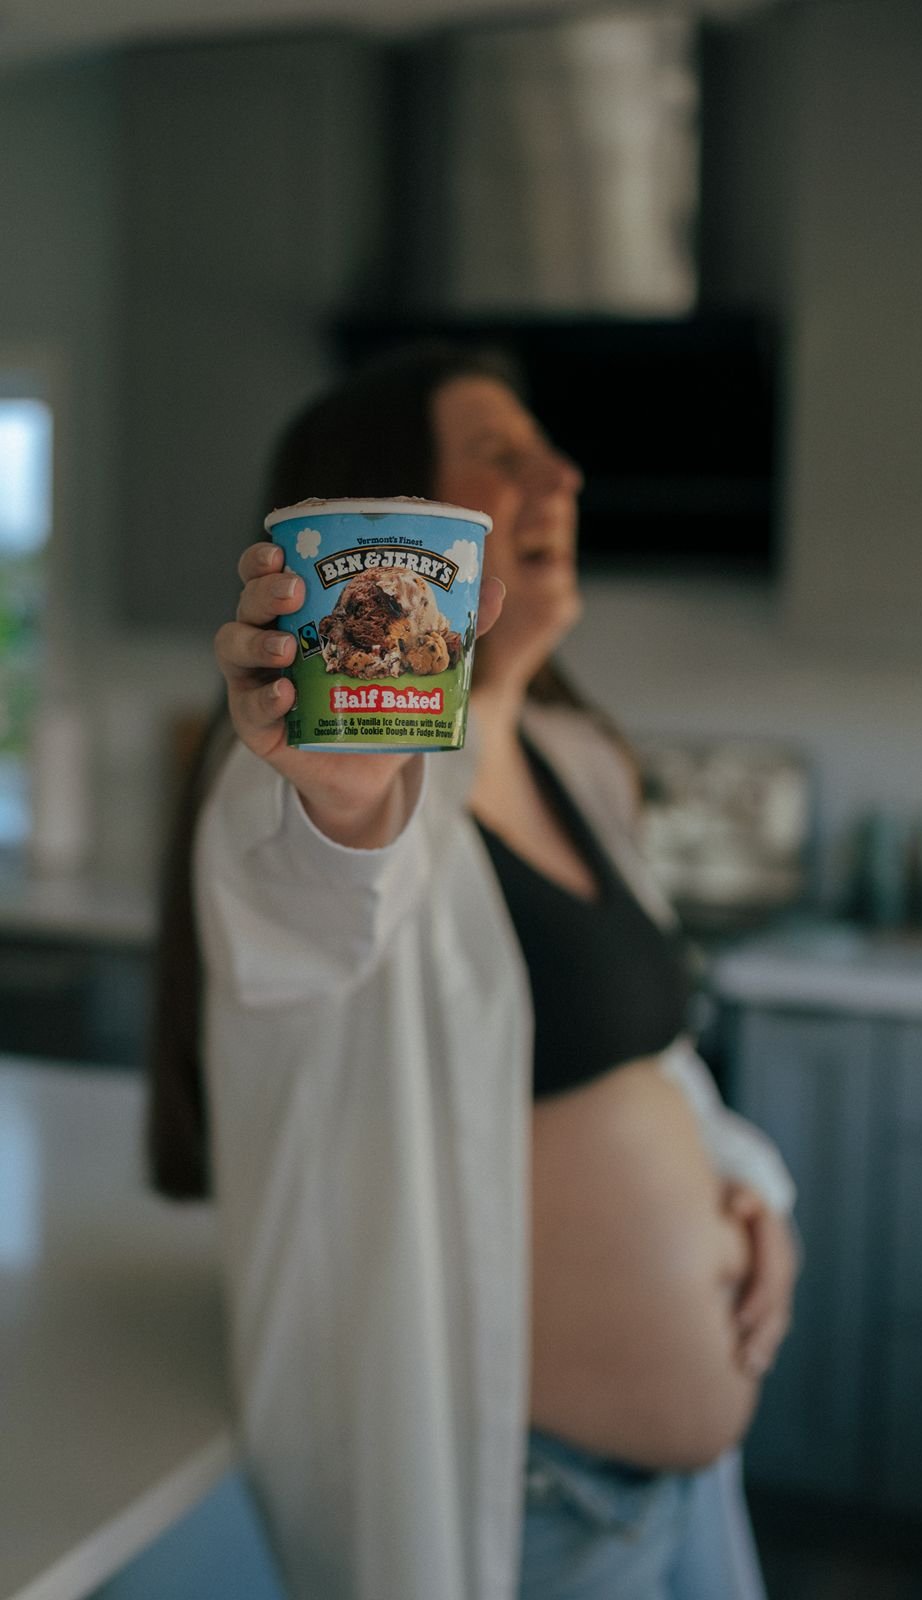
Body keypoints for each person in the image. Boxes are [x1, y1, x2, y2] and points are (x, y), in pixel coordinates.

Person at [147, 341, 799, 1600]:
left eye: (545, 445)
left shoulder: (580, 761)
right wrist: (340, 795)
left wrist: (745, 1184)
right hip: (524, 1507)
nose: (559, 471)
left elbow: (652, 1061)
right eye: (498, 454)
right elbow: (310, 931)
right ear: (392, 521)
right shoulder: (291, 785)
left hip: (685, 1496)